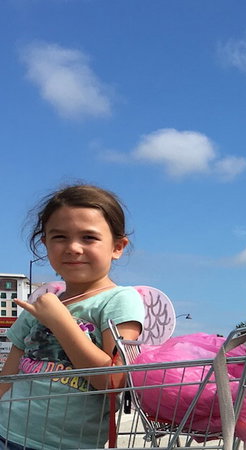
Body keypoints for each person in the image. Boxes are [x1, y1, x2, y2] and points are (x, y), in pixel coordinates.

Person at [0, 184, 145, 449]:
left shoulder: (120, 300)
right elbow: (8, 376)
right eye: (59, 237)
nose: (73, 248)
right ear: (45, 243)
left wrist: (60, 321)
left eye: (89, 237)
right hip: (6, 431)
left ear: (117, 246)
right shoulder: (42, 303)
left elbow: (113, 382)